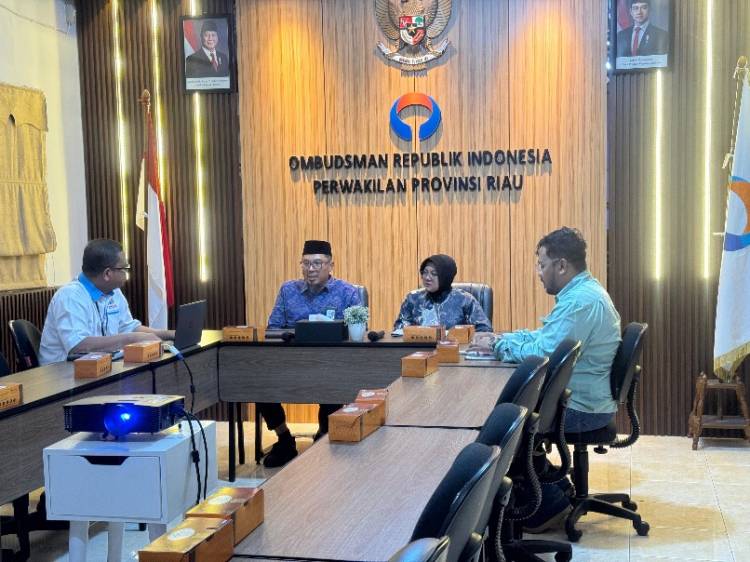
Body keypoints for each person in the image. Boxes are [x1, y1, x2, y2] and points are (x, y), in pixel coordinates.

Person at [469, 227, 621, 531]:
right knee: (514, 413)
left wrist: (498, 347)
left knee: (506, 424)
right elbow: (545, 337)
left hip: (582, 409)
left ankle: (545, 504)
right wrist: (503, 339)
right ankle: (555, 490)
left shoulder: (581, 302)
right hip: (583, 401)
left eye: (542, 265)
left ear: (561, 265)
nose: (539, 273)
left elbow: (543, 353)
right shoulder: (581, 294)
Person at [260, 239, 362, 467]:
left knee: (333, 381)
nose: (311, 269)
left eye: (317, 263)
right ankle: (284, 439)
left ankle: (324, 435)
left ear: (331, 265)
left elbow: (357, 333)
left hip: (331, 364)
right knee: (257, 383)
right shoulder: (288, 290)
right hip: (291, 362)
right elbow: (273, 328)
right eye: (306, 264)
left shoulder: (348, 293)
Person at [39, 239, 174, 365]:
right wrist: (131, 339)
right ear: (107, 274)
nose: (126, 274)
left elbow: (129, 327)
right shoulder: (70, 297)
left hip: (101, 367)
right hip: (64, 374)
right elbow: (79, 346)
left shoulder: (114, 291)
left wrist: (170, 334)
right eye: (124, 269)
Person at [393, 254, 492, 333]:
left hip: (455, 350)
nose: (427, 278)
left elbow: (484, 330)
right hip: (418, 350)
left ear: (445, 276)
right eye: (425, 272)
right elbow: (399, 329)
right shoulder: (413, 298)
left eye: (434, 274)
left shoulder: (465, 300)